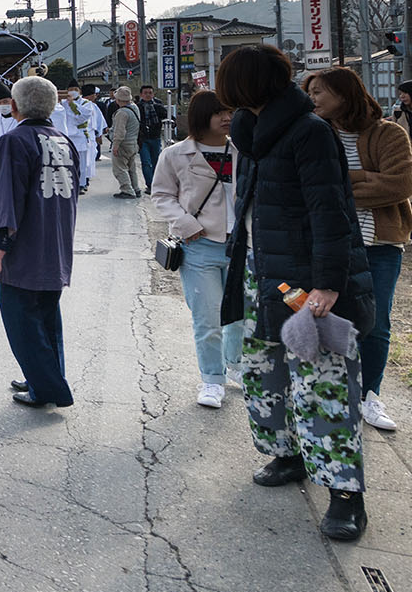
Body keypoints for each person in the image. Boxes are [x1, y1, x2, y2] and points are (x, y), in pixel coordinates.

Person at [217, 44, 374, 541]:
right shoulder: (253, 133)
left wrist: (329, 283)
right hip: (262, 277)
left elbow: (330, 214)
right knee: (266, 372)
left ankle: (346, 495)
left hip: (305, 283)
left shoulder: (309, 132)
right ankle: (286, 454)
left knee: (323, 382)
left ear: (246, 86)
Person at [305, 66, 412, 434]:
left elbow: (399, 184)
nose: (313, 99)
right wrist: (368, 177)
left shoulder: (389, 133)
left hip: (381, 242)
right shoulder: (312, 133)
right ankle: (336, 391)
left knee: (376, 321)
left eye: (319, 91)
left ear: (344, 93)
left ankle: (370, 395)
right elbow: (306, 186)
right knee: (328, 320)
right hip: (329, 244)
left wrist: (339, 185)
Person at [0, 75, 80, 410]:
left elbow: (7, 195)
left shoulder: (14, 140)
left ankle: (47, 389)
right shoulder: (63, 139)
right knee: (47, 319)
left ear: (13, 106)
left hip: (25, 244)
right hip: (56, 242)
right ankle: (43, 376)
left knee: (22, 320)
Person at [152, 90, 242, 408]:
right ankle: (211, 379)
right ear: (201, 116)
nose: (226, 117)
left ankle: (235, 365)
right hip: (199, 245)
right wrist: (186, 224)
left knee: (240, 316)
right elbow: (161, 195)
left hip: (241, 245)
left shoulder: (243, 150)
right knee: (207, 318)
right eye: (219, 112)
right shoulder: (176, 154)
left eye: (230, 110)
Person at [52, 84, 106, 194]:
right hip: (67, 136)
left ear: (79, 91)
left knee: (83, 162)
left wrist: (71, 103)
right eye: (70, 90)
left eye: (75, 90)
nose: (73, 92)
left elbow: (82, 117)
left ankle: (82, 184)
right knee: (68, 162)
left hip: (80, 136)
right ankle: (70, 183)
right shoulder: (62, 104)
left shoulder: (87, 104)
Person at [109, 86, 142, 198]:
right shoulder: (134, 108)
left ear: (118, 100)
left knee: (119, 168)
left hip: (123, 144)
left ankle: (127, 190)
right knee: (131, 168)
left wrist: (115, 145)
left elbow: (120, 132)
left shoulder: (122, 113)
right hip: (133, 142)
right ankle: (136, 188)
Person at [137, 84, 168, 191]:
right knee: (146, 162)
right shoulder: (137, 107)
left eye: (150, 93)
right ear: (141, 94)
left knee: (156, 161)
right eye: (145, 93)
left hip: (155, 136)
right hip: (143, 138)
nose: (148, 95)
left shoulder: (158, 105)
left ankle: (156, 183)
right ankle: (150, 185)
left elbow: (167, 116)